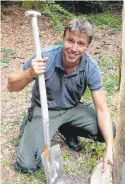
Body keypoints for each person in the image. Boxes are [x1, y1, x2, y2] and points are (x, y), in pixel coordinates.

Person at [7, 19, 115, 173]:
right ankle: (30, 123)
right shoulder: (45, 56)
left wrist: (110, 150)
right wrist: (29, 73)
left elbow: (102, 109)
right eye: (70, 41)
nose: (74, 48)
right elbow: (11, 85)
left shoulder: (90, 66)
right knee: (26, 165)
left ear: (87, 46)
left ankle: (67, 129)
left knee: (109, 131)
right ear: (63, 39)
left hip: (71, 109)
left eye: (81, 44)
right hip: (44, 110)